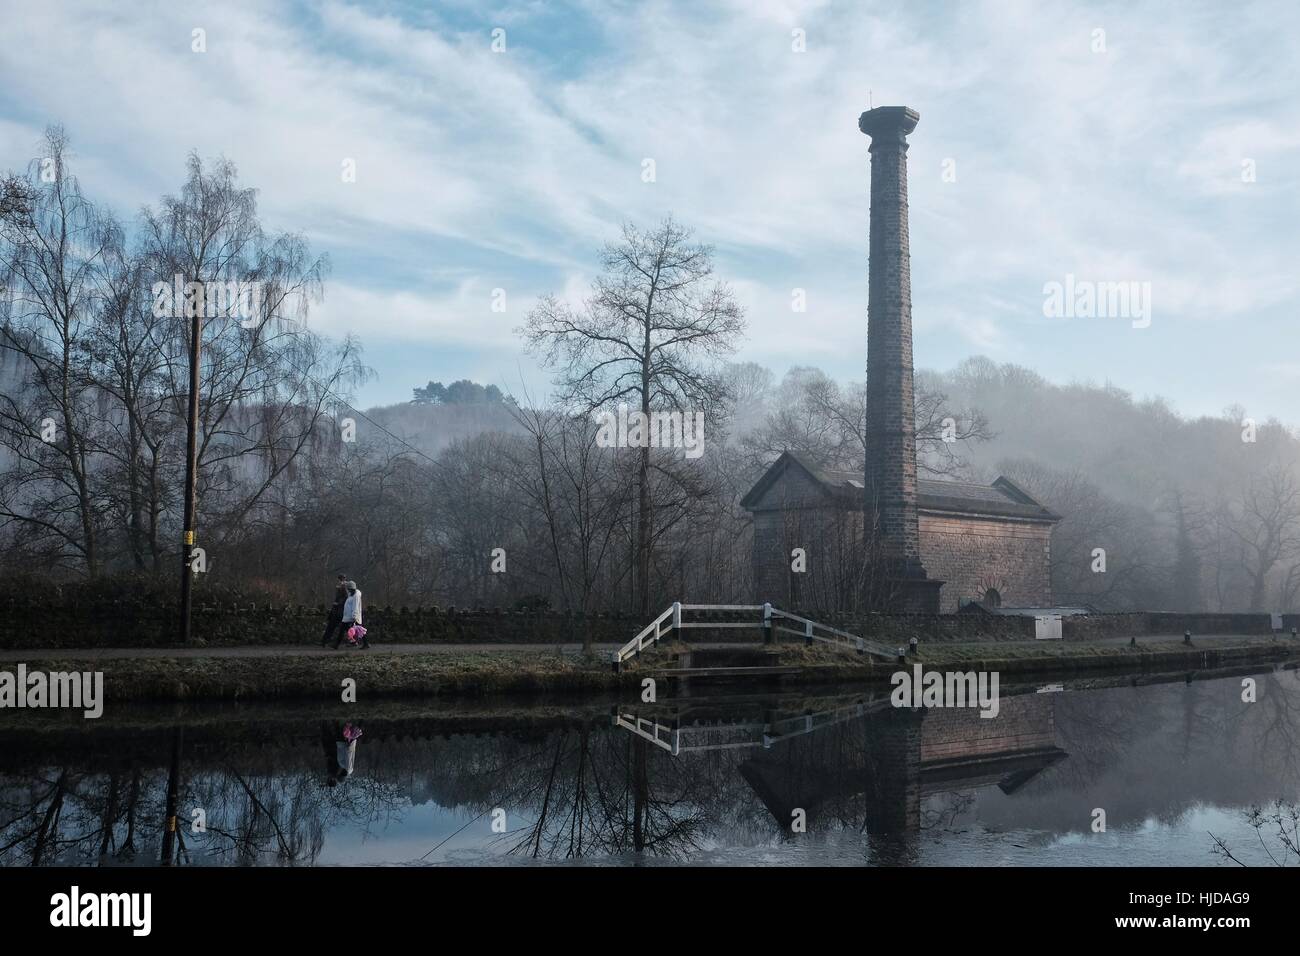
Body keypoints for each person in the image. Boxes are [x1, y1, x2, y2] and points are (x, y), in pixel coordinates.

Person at [333, 580, 368, 649]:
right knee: (344, 630)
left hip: (352, 617)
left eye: (348, 588)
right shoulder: (351, 594)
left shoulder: (356, 596)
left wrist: (354, 616)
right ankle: (338, 644)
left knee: (359, 630)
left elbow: (355, 606)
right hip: (347, 616)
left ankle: (365, 643)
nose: (347, 590)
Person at [320, 574, 348, 648]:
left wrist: (338, 603)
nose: (340, 581)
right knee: (332, 627)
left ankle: (325, 641)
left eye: (341, 579)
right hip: (337, 611)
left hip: (340, 611)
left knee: (334, 627)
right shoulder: (341, 587)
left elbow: (346, 598)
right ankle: (325, 641)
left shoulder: (344, 586)